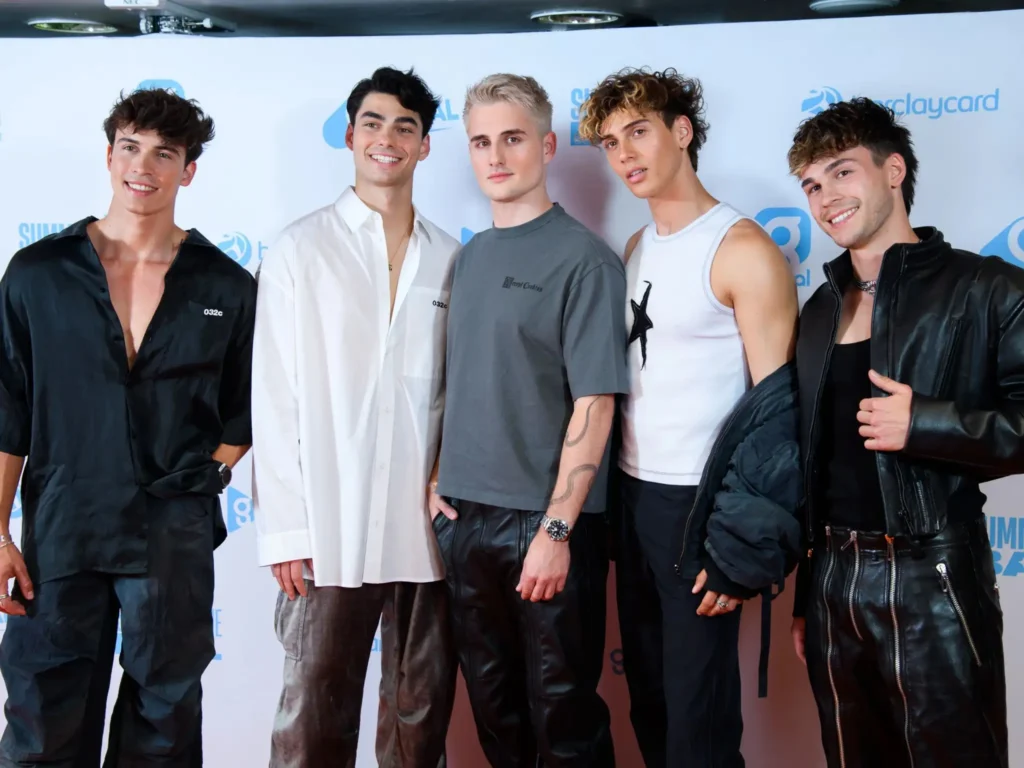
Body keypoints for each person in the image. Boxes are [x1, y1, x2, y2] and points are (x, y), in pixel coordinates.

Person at [0, 88, 254, 766]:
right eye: (131, 147)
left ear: (188, 171)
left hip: (171, 534)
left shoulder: (226, 285)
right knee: (42, 721)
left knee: (164, 725)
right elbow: (8, 411)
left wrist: (207, 480)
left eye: (164, 154)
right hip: (64, 526)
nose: (143, 166)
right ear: (110, 155)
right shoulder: (38, 274)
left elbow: (246, 408)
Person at [576, 67, 803, 768]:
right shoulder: (637, 246)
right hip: (632, 498)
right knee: (650, 702)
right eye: (611, 143)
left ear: (681, 131)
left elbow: (779, 419)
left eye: (638, 132)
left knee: (697, 721)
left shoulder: (742, 249)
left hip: (700, 508)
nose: (625, 155)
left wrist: (739, 545)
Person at [787, 97, 1014, 767]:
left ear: (893, 171)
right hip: (833, 583)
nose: (826, 197)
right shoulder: (819, 309)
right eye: (811, 185)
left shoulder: (985, 288)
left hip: (933, 579)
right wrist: (807, 595)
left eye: (841, 172)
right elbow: (817, 464)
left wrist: (927, 423)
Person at [251, 66, 459, 768]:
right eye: (373, 123)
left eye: (405, 126)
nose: (387, 138)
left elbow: (454, 390)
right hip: (327, 524)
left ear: (424, 145)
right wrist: (286, 530)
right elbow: (273, 397)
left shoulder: (451, 257)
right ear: (349, 136)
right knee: (314, 714)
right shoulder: (300, 248)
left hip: (426, 529)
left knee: (418, 718)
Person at [429, 73, 626, 768]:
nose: (495, 155)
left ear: (545, 146)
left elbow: (596, 403)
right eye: (481, 141)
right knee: (497, 719)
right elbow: (462, 380)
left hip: (545, 524)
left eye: (512, 138)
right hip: (465, 521)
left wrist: (557, 530)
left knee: (564, 720)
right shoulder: (470, 257)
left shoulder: (585, 260)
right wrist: (438, 476)